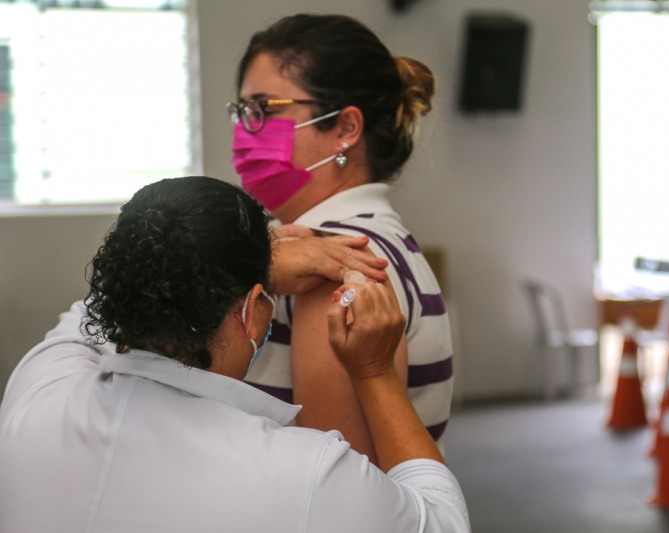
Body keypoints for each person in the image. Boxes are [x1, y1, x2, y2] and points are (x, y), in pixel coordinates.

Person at [0, 176, 469, 532]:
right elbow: (442, 522)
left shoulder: (39, 393)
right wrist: (374, 372)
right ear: (251, 310)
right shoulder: (303, 475)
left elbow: (85, 314)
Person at [229, 14, 454, 462]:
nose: (243, 131)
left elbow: (339, 493)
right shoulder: (334, 242)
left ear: (345, 129)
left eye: (264, 110)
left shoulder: (334, 262)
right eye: (241, 111)